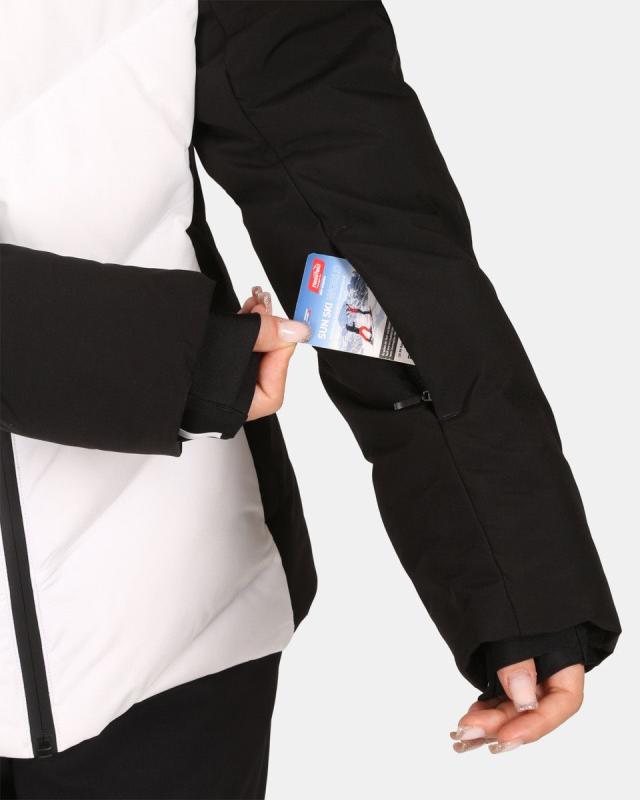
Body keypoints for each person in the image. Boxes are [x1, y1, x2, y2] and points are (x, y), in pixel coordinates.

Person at [0, 1, 621, 798]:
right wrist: (181, 364)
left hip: (165, 625)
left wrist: (513, 571)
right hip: (175, 519)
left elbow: (351, 204)